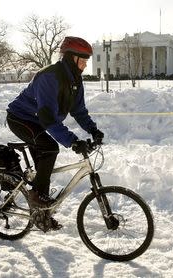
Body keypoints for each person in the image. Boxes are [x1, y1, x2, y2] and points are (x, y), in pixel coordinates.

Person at [6, 36, 104, 229]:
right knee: (50, 148)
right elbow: (48, 118)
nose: (85, 65)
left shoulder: (75, 81)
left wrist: (93, 129)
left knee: (45, 166)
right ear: (71, 58)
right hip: (21, 118)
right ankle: (36, 197)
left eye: (86, 61)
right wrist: (73, 141)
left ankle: (41, 215)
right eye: (82, 60)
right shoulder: (50, 77)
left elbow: (79, 111)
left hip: (37, 122)